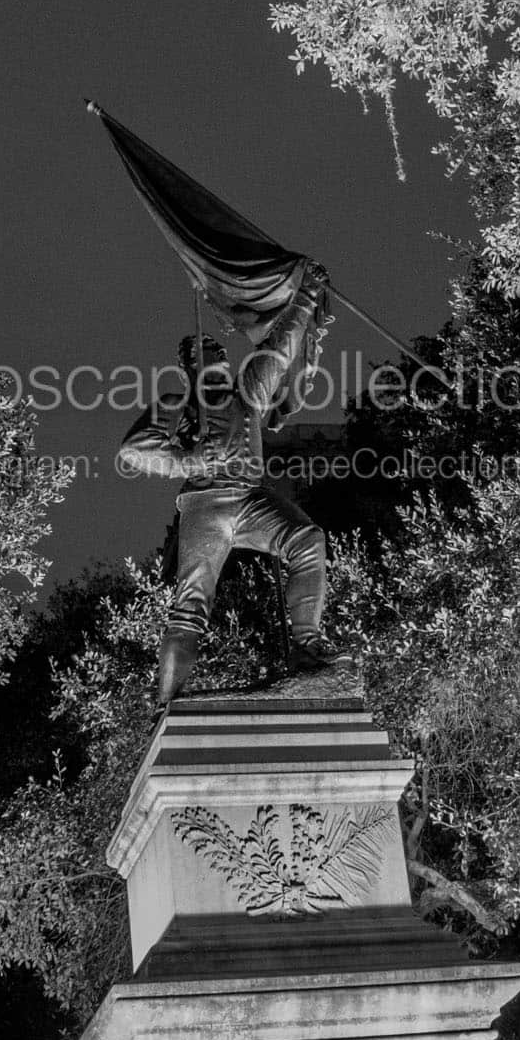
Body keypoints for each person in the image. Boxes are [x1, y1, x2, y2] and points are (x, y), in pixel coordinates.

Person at [118, 259, 351, 707]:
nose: (219, 355)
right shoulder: (179, 404)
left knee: (307, 541)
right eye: (207, 351)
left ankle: (307, 644)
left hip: (249, 499)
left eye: (220, 351)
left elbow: (281, 349)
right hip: (206, 506)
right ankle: (166, 704)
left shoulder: (248, 394)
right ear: (189, 366)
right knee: (191, 605)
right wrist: (187, 458)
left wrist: (305, 296)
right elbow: (133, 450)